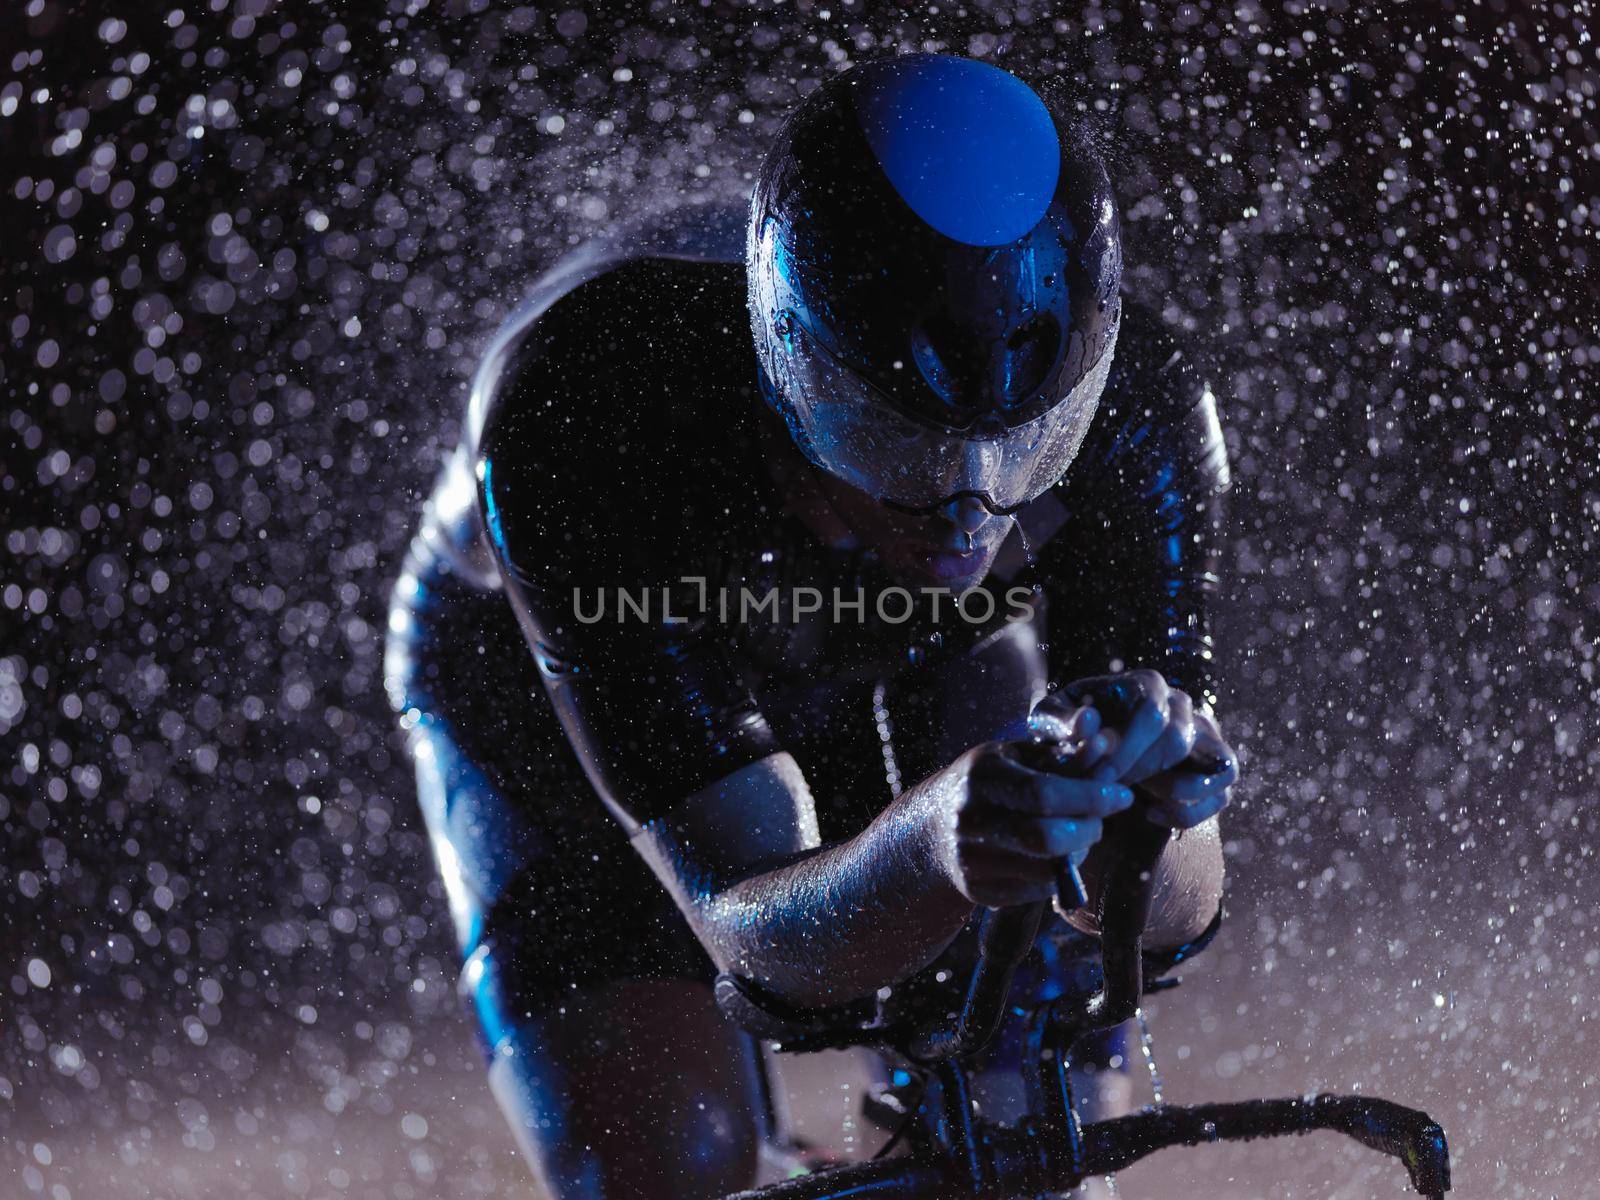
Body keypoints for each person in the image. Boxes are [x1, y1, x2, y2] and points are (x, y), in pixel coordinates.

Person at [385, 54, 1237, 1199]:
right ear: (788, 361)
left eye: (1027, 445)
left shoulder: (1141, 411)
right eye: (898, 443)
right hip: (540, 681)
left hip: (901, 652)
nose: (966, 507)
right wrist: (940, 847)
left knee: (1034, 1123)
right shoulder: (587, 407)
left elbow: (1180, 911)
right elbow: (761, 943)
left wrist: (1140, 822)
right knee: (670, 1164)